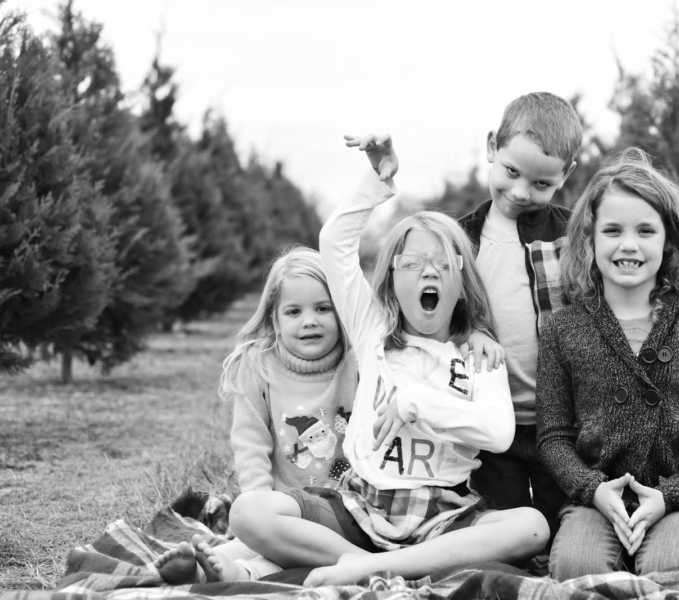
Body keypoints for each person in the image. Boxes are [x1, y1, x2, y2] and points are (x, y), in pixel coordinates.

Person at [225, 134, 549, 587]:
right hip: (363, 505)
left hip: (444, 511)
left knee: (532, 526)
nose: (428, 271)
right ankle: (369, 562)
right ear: (392, 278)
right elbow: (334, 241)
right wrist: (376, 180)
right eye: (413, 263)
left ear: (462, 281)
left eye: (442, 262)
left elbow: (498, 435)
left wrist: (418, 404)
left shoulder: (480, 353)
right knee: (249, 512)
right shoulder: (373, 332)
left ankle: (370, 570)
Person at [535, 148, 679, 589]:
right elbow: (553, 436)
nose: (628, 245)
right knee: (575, 571)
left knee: (667, 570)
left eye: (645, 230)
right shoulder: (563, 330)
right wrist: (592, 490)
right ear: (589, 241)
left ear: (668, 241)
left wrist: (671, 495)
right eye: (612, 230)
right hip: (598, 500)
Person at [154, 246, 358, 583]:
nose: (309, 321)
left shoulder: (355, 364)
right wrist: (260, 503)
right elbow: (250, 443)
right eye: (294, 311)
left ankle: (234, 573)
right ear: (274, 319)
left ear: (342, 311)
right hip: (282, 508)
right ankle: (211, 564)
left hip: (343, 512)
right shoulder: (260, 365)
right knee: (256, 543)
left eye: (323, 308)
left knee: (298, 556)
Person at [459, 91, 583, 537]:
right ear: (492, 146)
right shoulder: (461, 241)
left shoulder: (573, 237)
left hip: (563, 423)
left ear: (565, 176)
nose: (520, 192)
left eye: (540, 184)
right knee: (502, 524)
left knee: (562, 522)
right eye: (511, 172)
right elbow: (442, 316)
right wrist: (469, 328)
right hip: (492, 425)